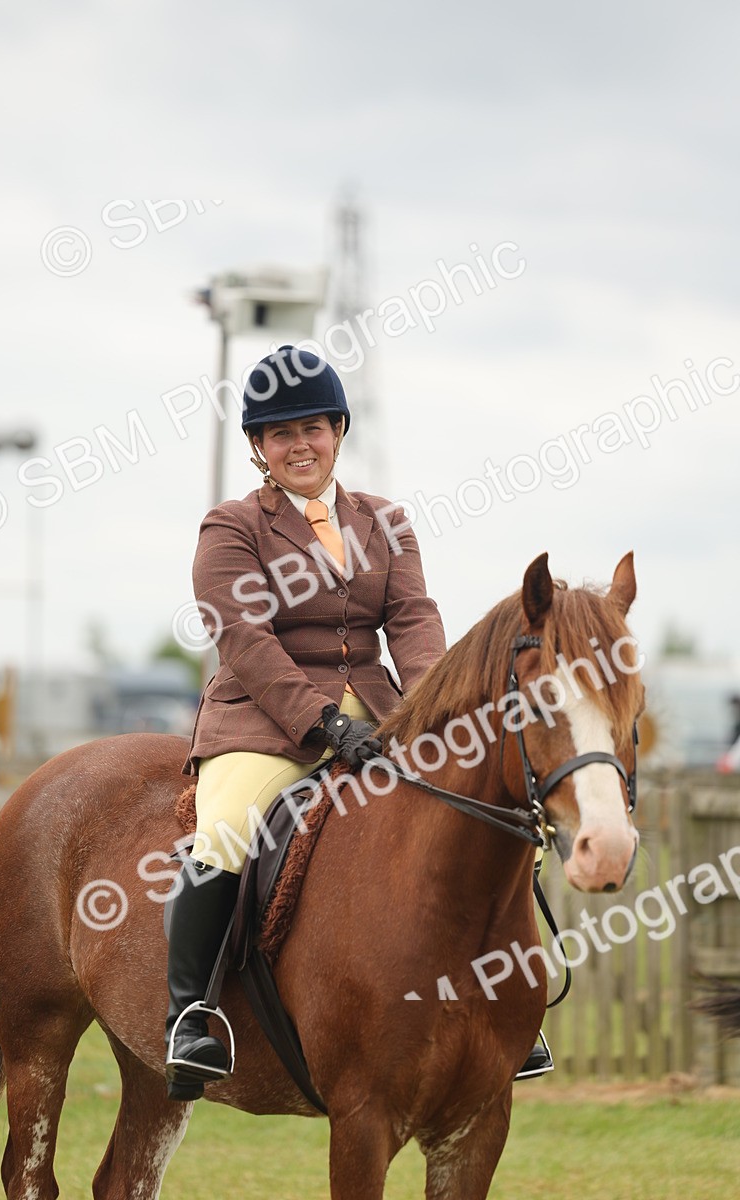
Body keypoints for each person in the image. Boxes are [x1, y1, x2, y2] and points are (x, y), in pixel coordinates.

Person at [164, 345, 550, 1099]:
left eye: (312, 426)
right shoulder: (231, 526)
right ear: (257, 448)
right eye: (280, 434)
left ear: (338, 431)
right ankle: (191, 1015)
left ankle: (511, 1010)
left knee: (493, 817)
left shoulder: (386, 521)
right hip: (265, 724)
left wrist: (441, 707)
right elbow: (245, 639)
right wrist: (320, 725)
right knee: (227, 829)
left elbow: (412, 618)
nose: (299, 444)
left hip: (382, 716)